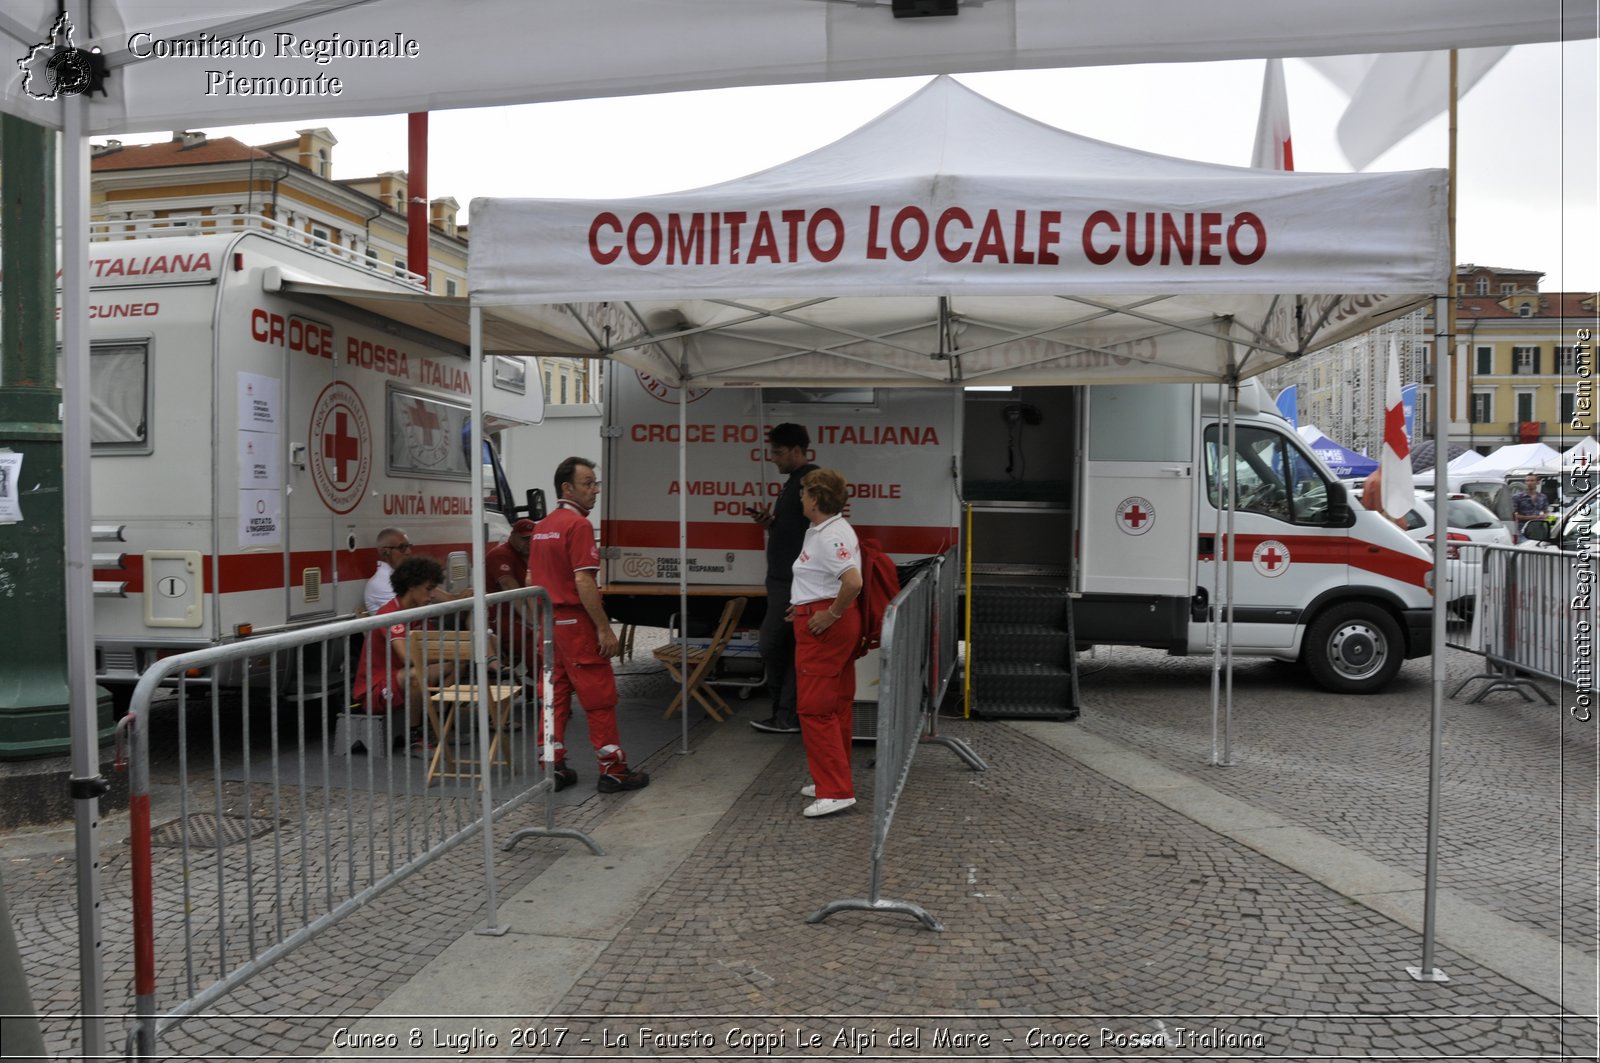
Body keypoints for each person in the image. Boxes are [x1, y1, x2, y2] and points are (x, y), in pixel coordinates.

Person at [526, 457, 649, 793]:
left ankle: (552, 765)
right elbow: (583, 581)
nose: (595, 490)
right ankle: (614, 769)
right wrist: (604, 627)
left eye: (595, 483)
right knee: (599, 697)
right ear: (567, 488)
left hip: (549, 623)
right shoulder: (577, 526)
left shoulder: (541, 526)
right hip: (574, 622)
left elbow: (528, 579)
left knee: (554, 695)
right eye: (588, 483)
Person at [350, 554, 486, 756]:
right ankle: (414, 739)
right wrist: (447, 652)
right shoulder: (392, 614)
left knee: (457, 664)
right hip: (375, 689)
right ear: (411, 586)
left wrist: (455, 652)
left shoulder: (417, 611)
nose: (432, 595)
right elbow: (408, 657)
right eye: (429, 588)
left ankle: (439, 726)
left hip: (397, 678)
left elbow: (431, 647)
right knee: (416, 674)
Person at [788, 468, 863, 818]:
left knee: (816, 708)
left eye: (803, 492)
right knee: (836, 704)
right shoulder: (826, 531)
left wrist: (828, 614)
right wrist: (802, 605)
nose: (800, 497)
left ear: (815, 498)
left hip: (825, 629)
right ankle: (834, 779)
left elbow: (852, 582)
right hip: (824, 621)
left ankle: (835, 790)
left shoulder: (829, 536)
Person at [747, 423, 818, 735]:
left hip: (792, 583)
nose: (772, 458)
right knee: (784, 648)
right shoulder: (793, 483)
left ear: (797, 451)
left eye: (777, 452)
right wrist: (771, 524)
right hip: (782, 580)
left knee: (772, 645)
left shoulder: (810, 482)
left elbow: (817, 529)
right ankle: (786, 715)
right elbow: (796, 529)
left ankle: (787, 715)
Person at [364, 527, 412, 614]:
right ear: (385, 552)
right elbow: (408, 611)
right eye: (402, 547)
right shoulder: (380, 583)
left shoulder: (401, 575)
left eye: (408, 546)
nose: (409, 551)